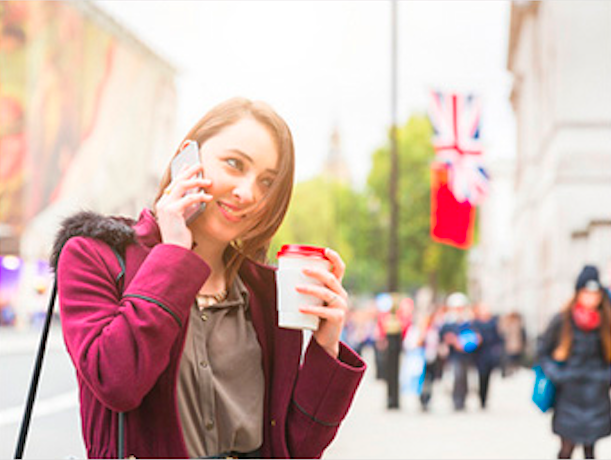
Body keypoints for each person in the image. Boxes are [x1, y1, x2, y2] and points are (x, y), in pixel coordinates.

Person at [51, 98, 366, 459]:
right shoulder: (94, 256)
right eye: (234, 164)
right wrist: (173, 256)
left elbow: (295, 449)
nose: (248, 194)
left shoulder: (266, 293)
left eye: (267, 182)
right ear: (188, 159)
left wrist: (325, 346)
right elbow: (117, 382)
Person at [538, 265, 611, 459]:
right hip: (568, 396)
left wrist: (606, 377)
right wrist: (557, 375)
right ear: (578, 293)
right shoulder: (562, 321)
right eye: (586, 292)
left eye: (595, 294)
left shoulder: (607, 321)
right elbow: (543, 351)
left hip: (597, 397)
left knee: (590, 450)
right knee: (566, 448)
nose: (591, 298)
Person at [439, 292, 480, 411]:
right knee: (457, 376)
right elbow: (443, 337)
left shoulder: (469, 321)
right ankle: (457, 400)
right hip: (454, 356)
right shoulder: (448, 323)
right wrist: (452, 340)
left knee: (465, 377)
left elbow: (476, 336)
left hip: (467, 355)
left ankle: (463, 399)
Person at [472, 303, 503, 409]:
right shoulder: (476, 323)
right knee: (481, 376)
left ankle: (485, 398)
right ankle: (481, 397)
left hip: (489, 354)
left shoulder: (493, 323)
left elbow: (498, 338)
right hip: (479, 354)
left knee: (488, 377)